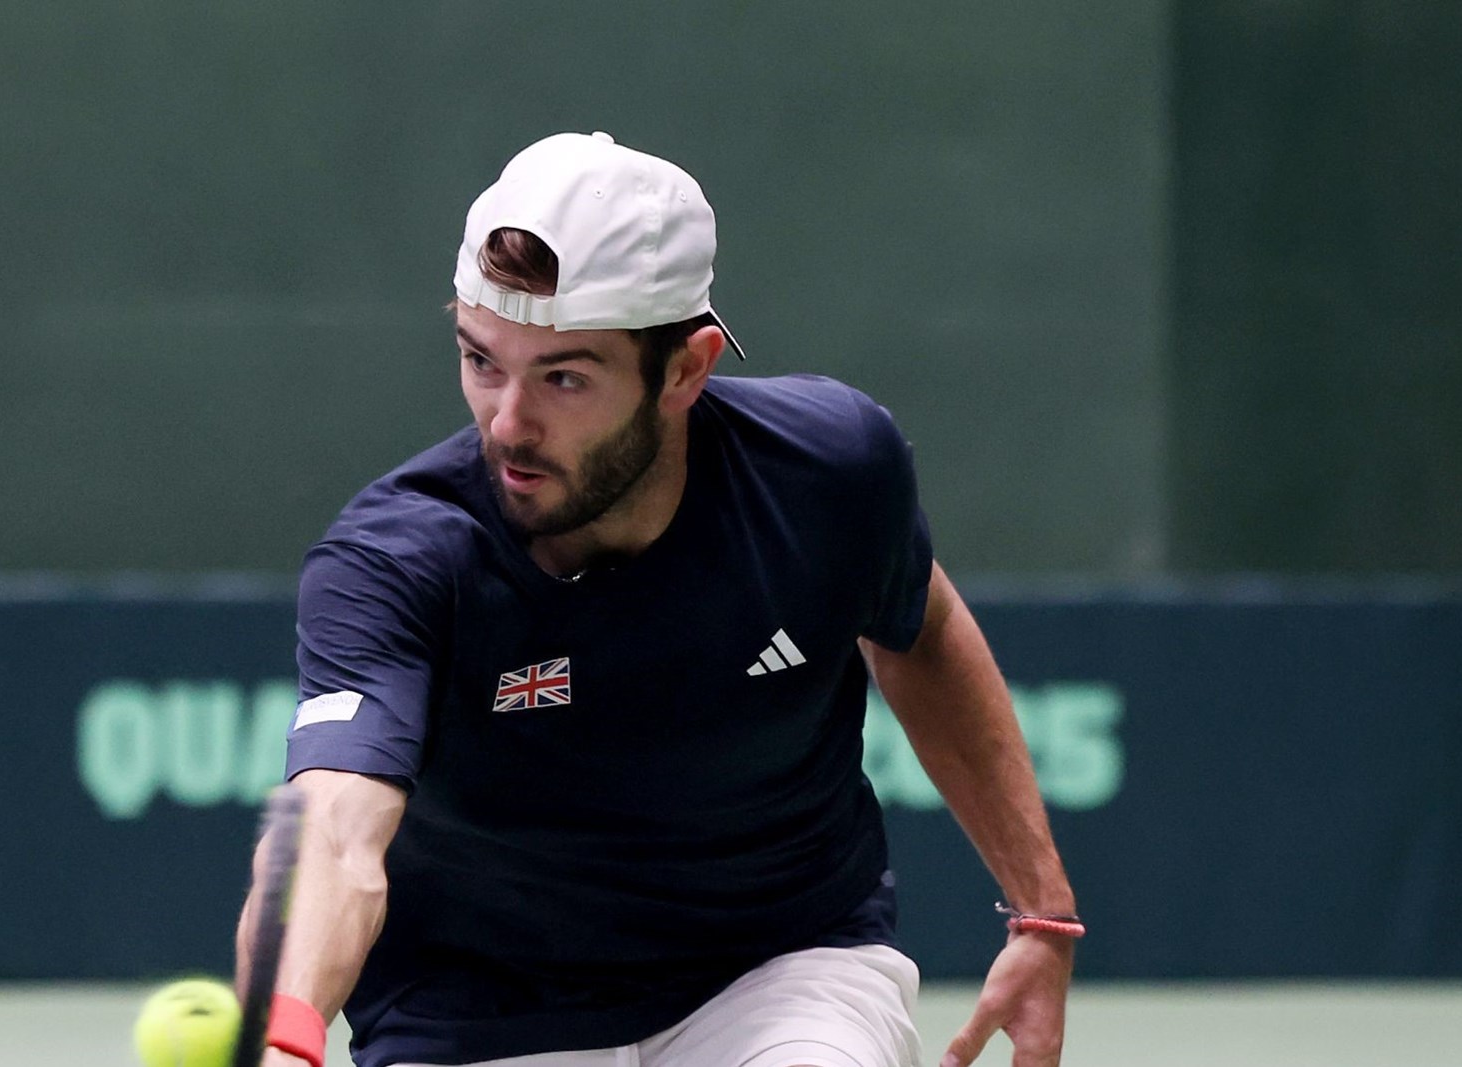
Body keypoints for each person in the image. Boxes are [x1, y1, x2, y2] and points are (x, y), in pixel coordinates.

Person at [239, 131, 1080, 1067]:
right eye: (483, 361)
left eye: (564, 376)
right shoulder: (396, 559)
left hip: (777, 970)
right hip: (477, 1010)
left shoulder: (828, 470)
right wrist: (284, 1033)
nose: (508, 422)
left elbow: (920, 630)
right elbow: (337, 828)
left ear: (686, 368)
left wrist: (1042, 911)